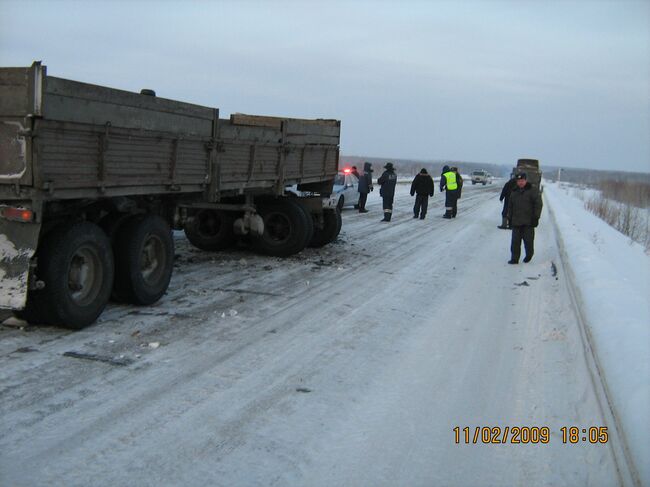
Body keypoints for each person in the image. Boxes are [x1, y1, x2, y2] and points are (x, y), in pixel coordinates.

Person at [507, 172, 543, 264]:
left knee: (528, 242)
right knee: (515, 242)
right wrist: (509, 218)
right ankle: (514, 258)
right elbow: (510, 206)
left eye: (522, 181)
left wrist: (536, 218)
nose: (520, 183)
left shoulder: (533, 191)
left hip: (528, 222)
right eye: (519, 181)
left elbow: (538, 205)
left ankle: (529, 255)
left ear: (526, 180)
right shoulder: (514, 191)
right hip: (516, 222)